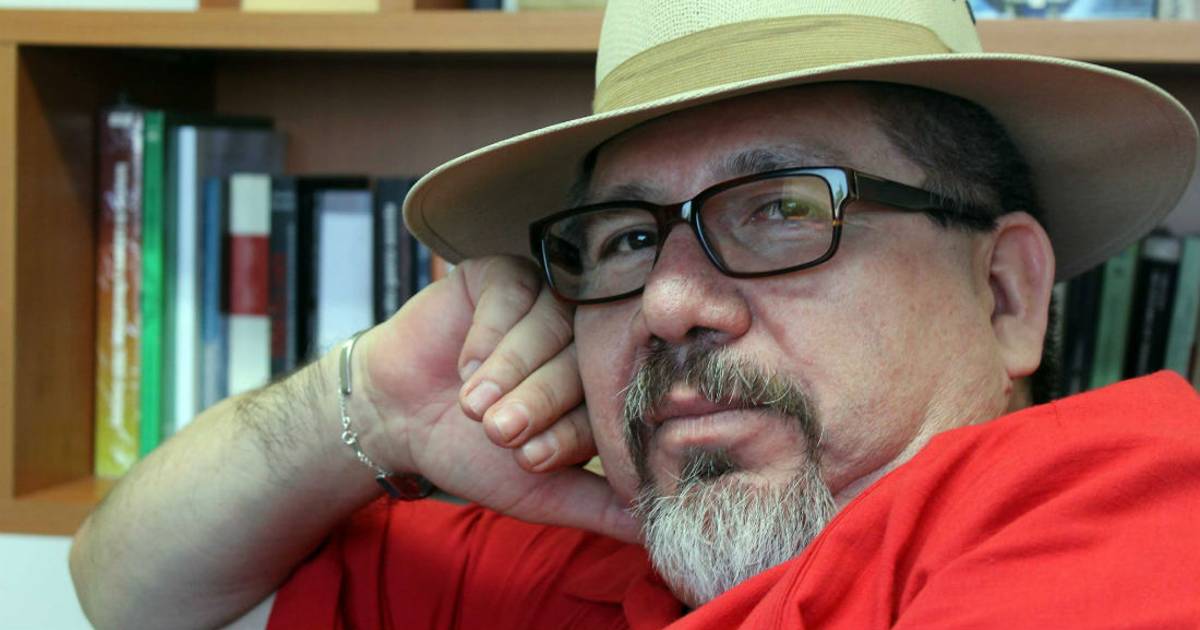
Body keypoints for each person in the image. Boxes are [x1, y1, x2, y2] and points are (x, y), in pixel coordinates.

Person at [70, 1, 1200, 628]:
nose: (665, 300)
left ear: (1004, 294)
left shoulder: (1130, 515)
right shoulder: (588, 562)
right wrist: (371, 402)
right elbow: (125, 593)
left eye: (781, 210)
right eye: (623, 238)